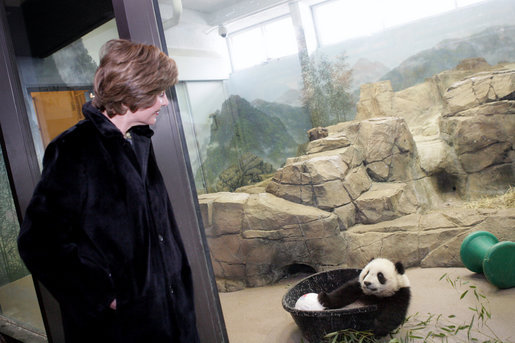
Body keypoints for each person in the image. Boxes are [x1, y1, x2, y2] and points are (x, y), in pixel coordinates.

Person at [18, 39, 200, 343]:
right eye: (158, 93)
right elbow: (39, 243)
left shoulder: (138, 141)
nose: (165, 102)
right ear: (132, 94)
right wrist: (105, 296)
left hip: (170, 318)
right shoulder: (75, 149)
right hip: (121, 330)